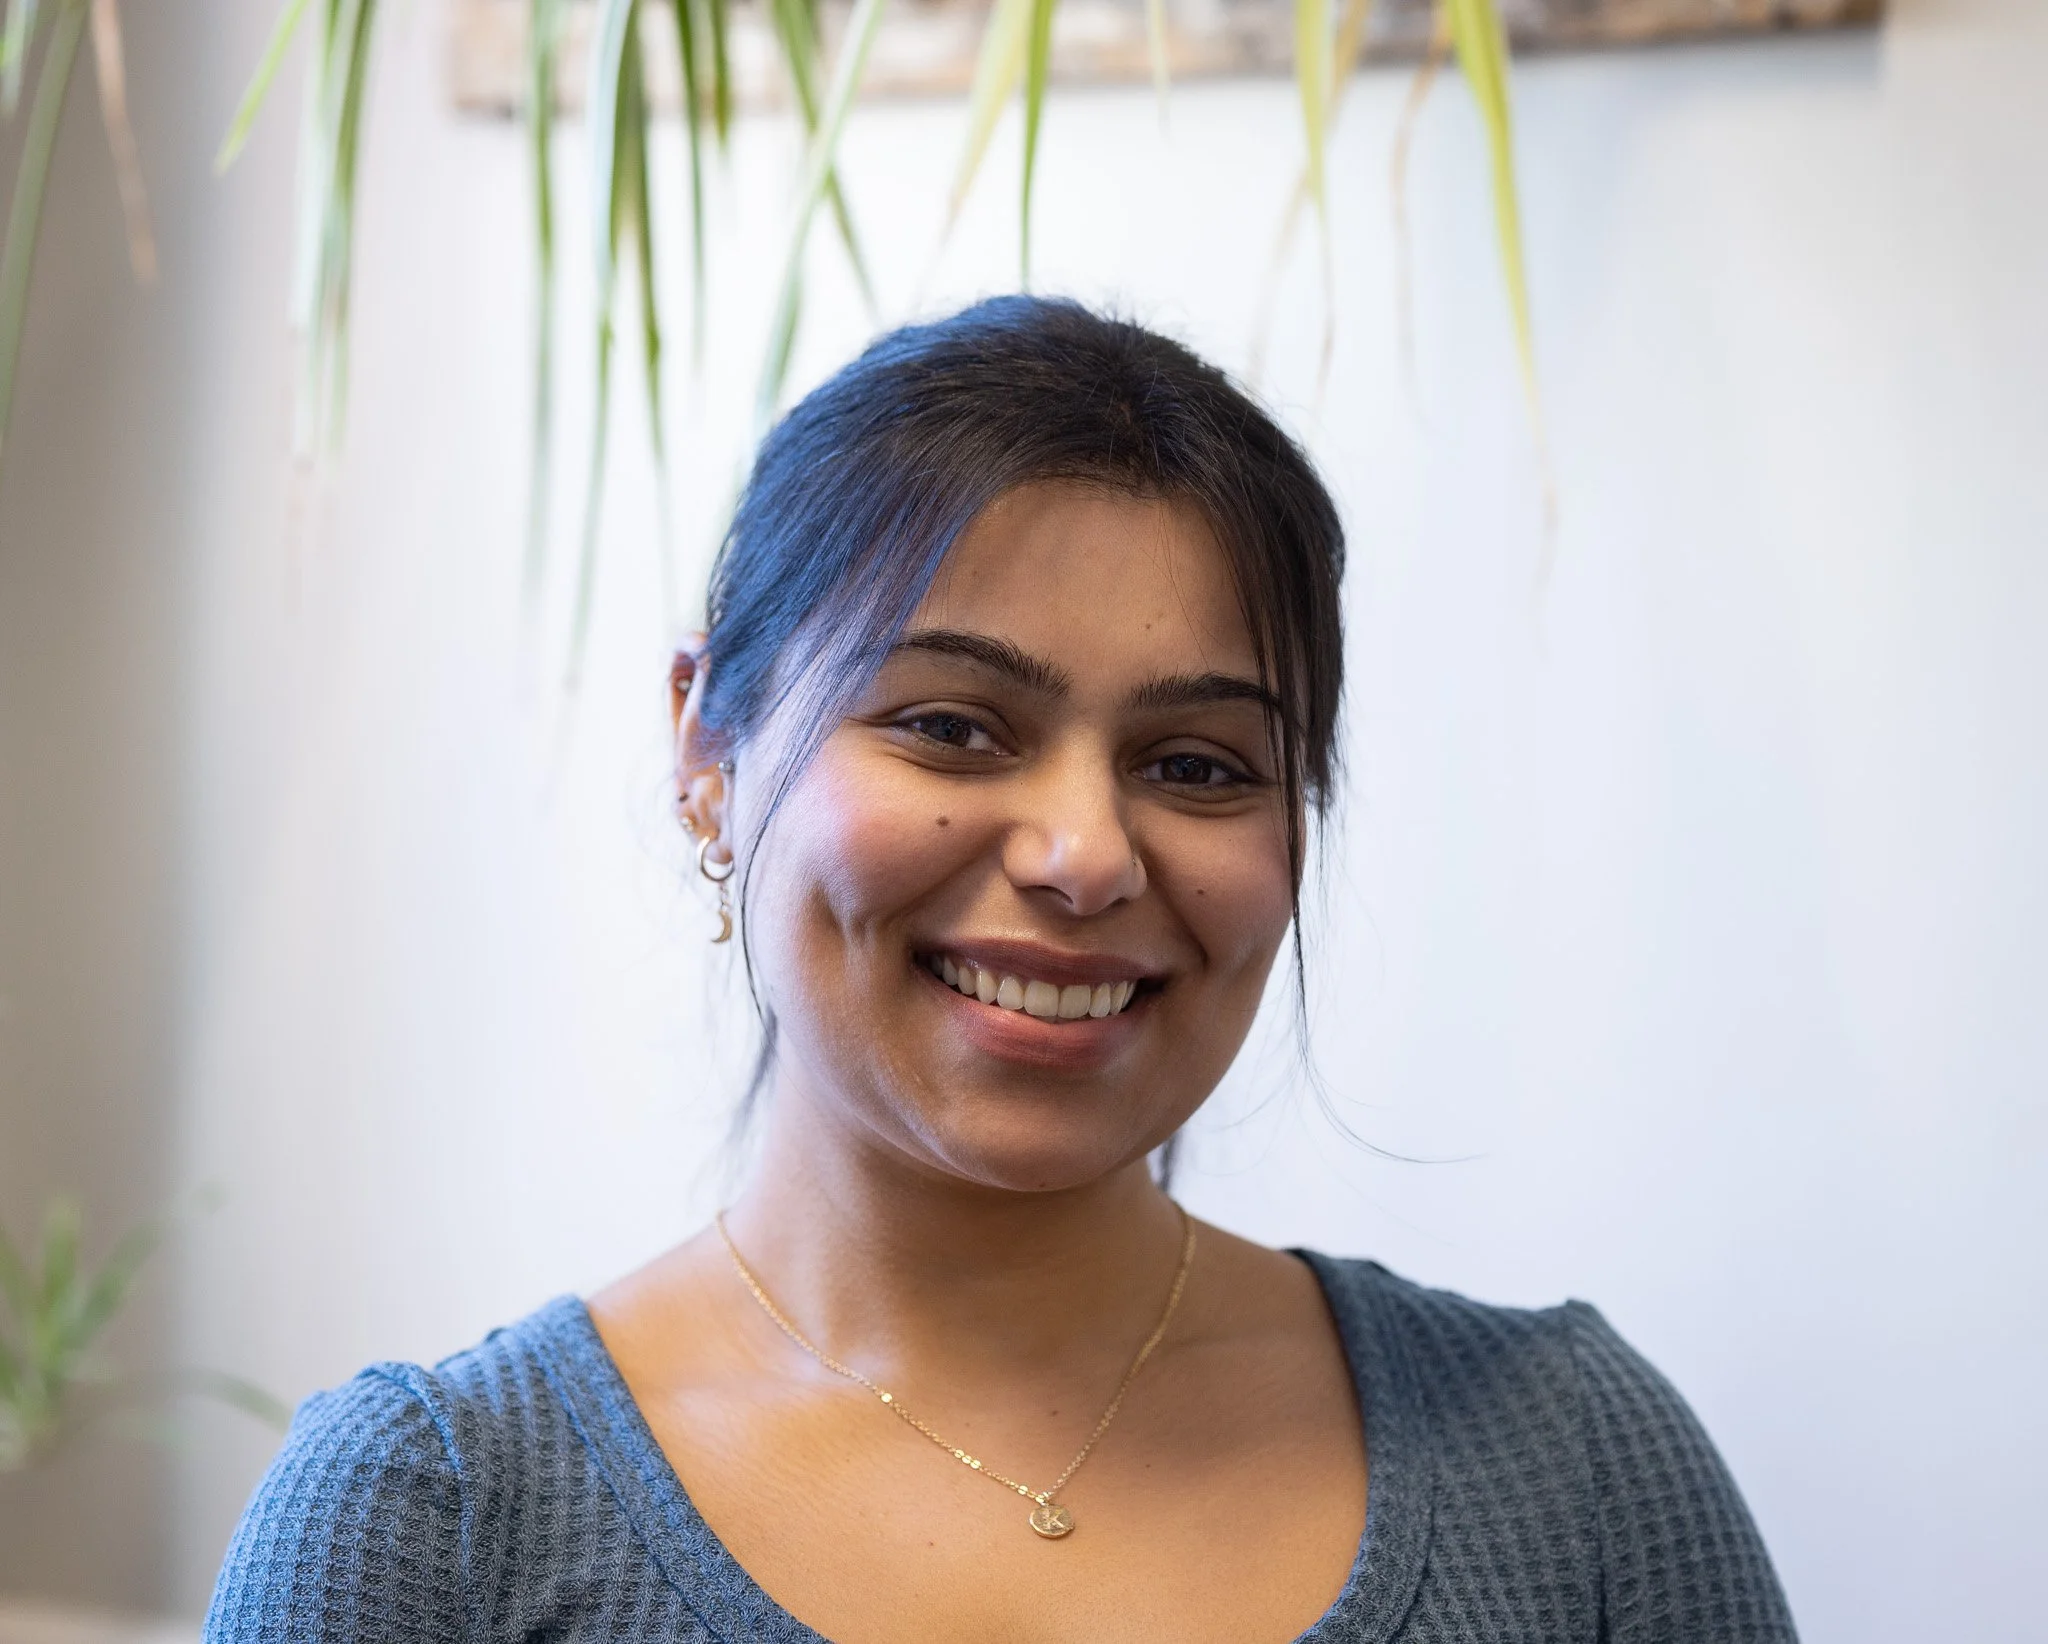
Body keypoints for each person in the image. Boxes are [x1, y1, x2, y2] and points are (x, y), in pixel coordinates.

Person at [205, 297, 1797, 1643]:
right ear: (709, 749)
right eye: (952, 727)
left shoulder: (1574, 1466)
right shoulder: (429, 1527)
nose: (1085, 854)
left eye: (1196, 764)